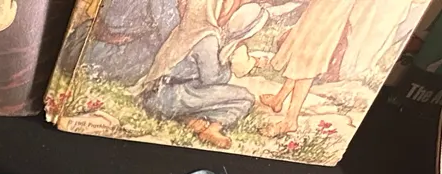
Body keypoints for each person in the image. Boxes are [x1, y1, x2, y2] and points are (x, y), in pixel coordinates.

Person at [139, 2, 270, 148]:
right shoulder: (207, 39)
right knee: (245, 97)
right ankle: (213, 128)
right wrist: (227, 68)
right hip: (168, 96)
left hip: (158, 95)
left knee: (222, 97)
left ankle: (189, 119)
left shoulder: (193, 29)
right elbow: (211, 80)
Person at [259, 0, 358, 135]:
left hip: (332, 8)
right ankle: (279, 98)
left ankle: (290, 120)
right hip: (321, 6)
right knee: (302, 46)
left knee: (309, 58)